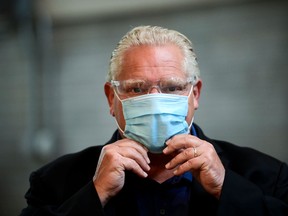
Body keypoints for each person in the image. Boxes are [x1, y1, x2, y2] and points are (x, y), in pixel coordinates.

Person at [20, 25, 288, 216]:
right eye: (136, 89)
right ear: (110, 98)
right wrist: (95, 195)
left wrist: (226, 189)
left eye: (172, 88)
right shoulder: (54, 182)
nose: (155, 102)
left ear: (194, 94)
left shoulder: (267, 176)